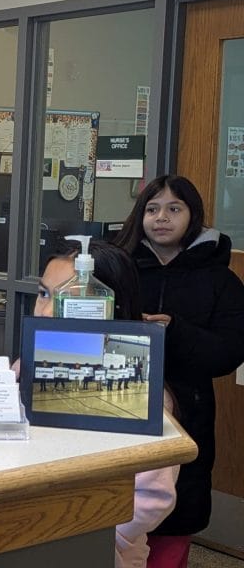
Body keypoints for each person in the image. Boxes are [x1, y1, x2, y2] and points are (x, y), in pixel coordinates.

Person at [114, 174, 244, 567]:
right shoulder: (119, 269)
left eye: (174, 208)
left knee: (174, 512)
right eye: (152, 209)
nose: (162, 218)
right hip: (117, 402)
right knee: (119, 512)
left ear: (193, 216)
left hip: (189, 408)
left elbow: (229, 352)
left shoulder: (220, 279)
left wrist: (175, 330)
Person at [35, 239, 180, 568]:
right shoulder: (25, 371)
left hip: (102, 550)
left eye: (68, 299)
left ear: (109, 305)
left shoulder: (145, 396)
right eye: (43, 294)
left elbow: (152, 498)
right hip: (30, 539)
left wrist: (99, 538)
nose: (45, 311)